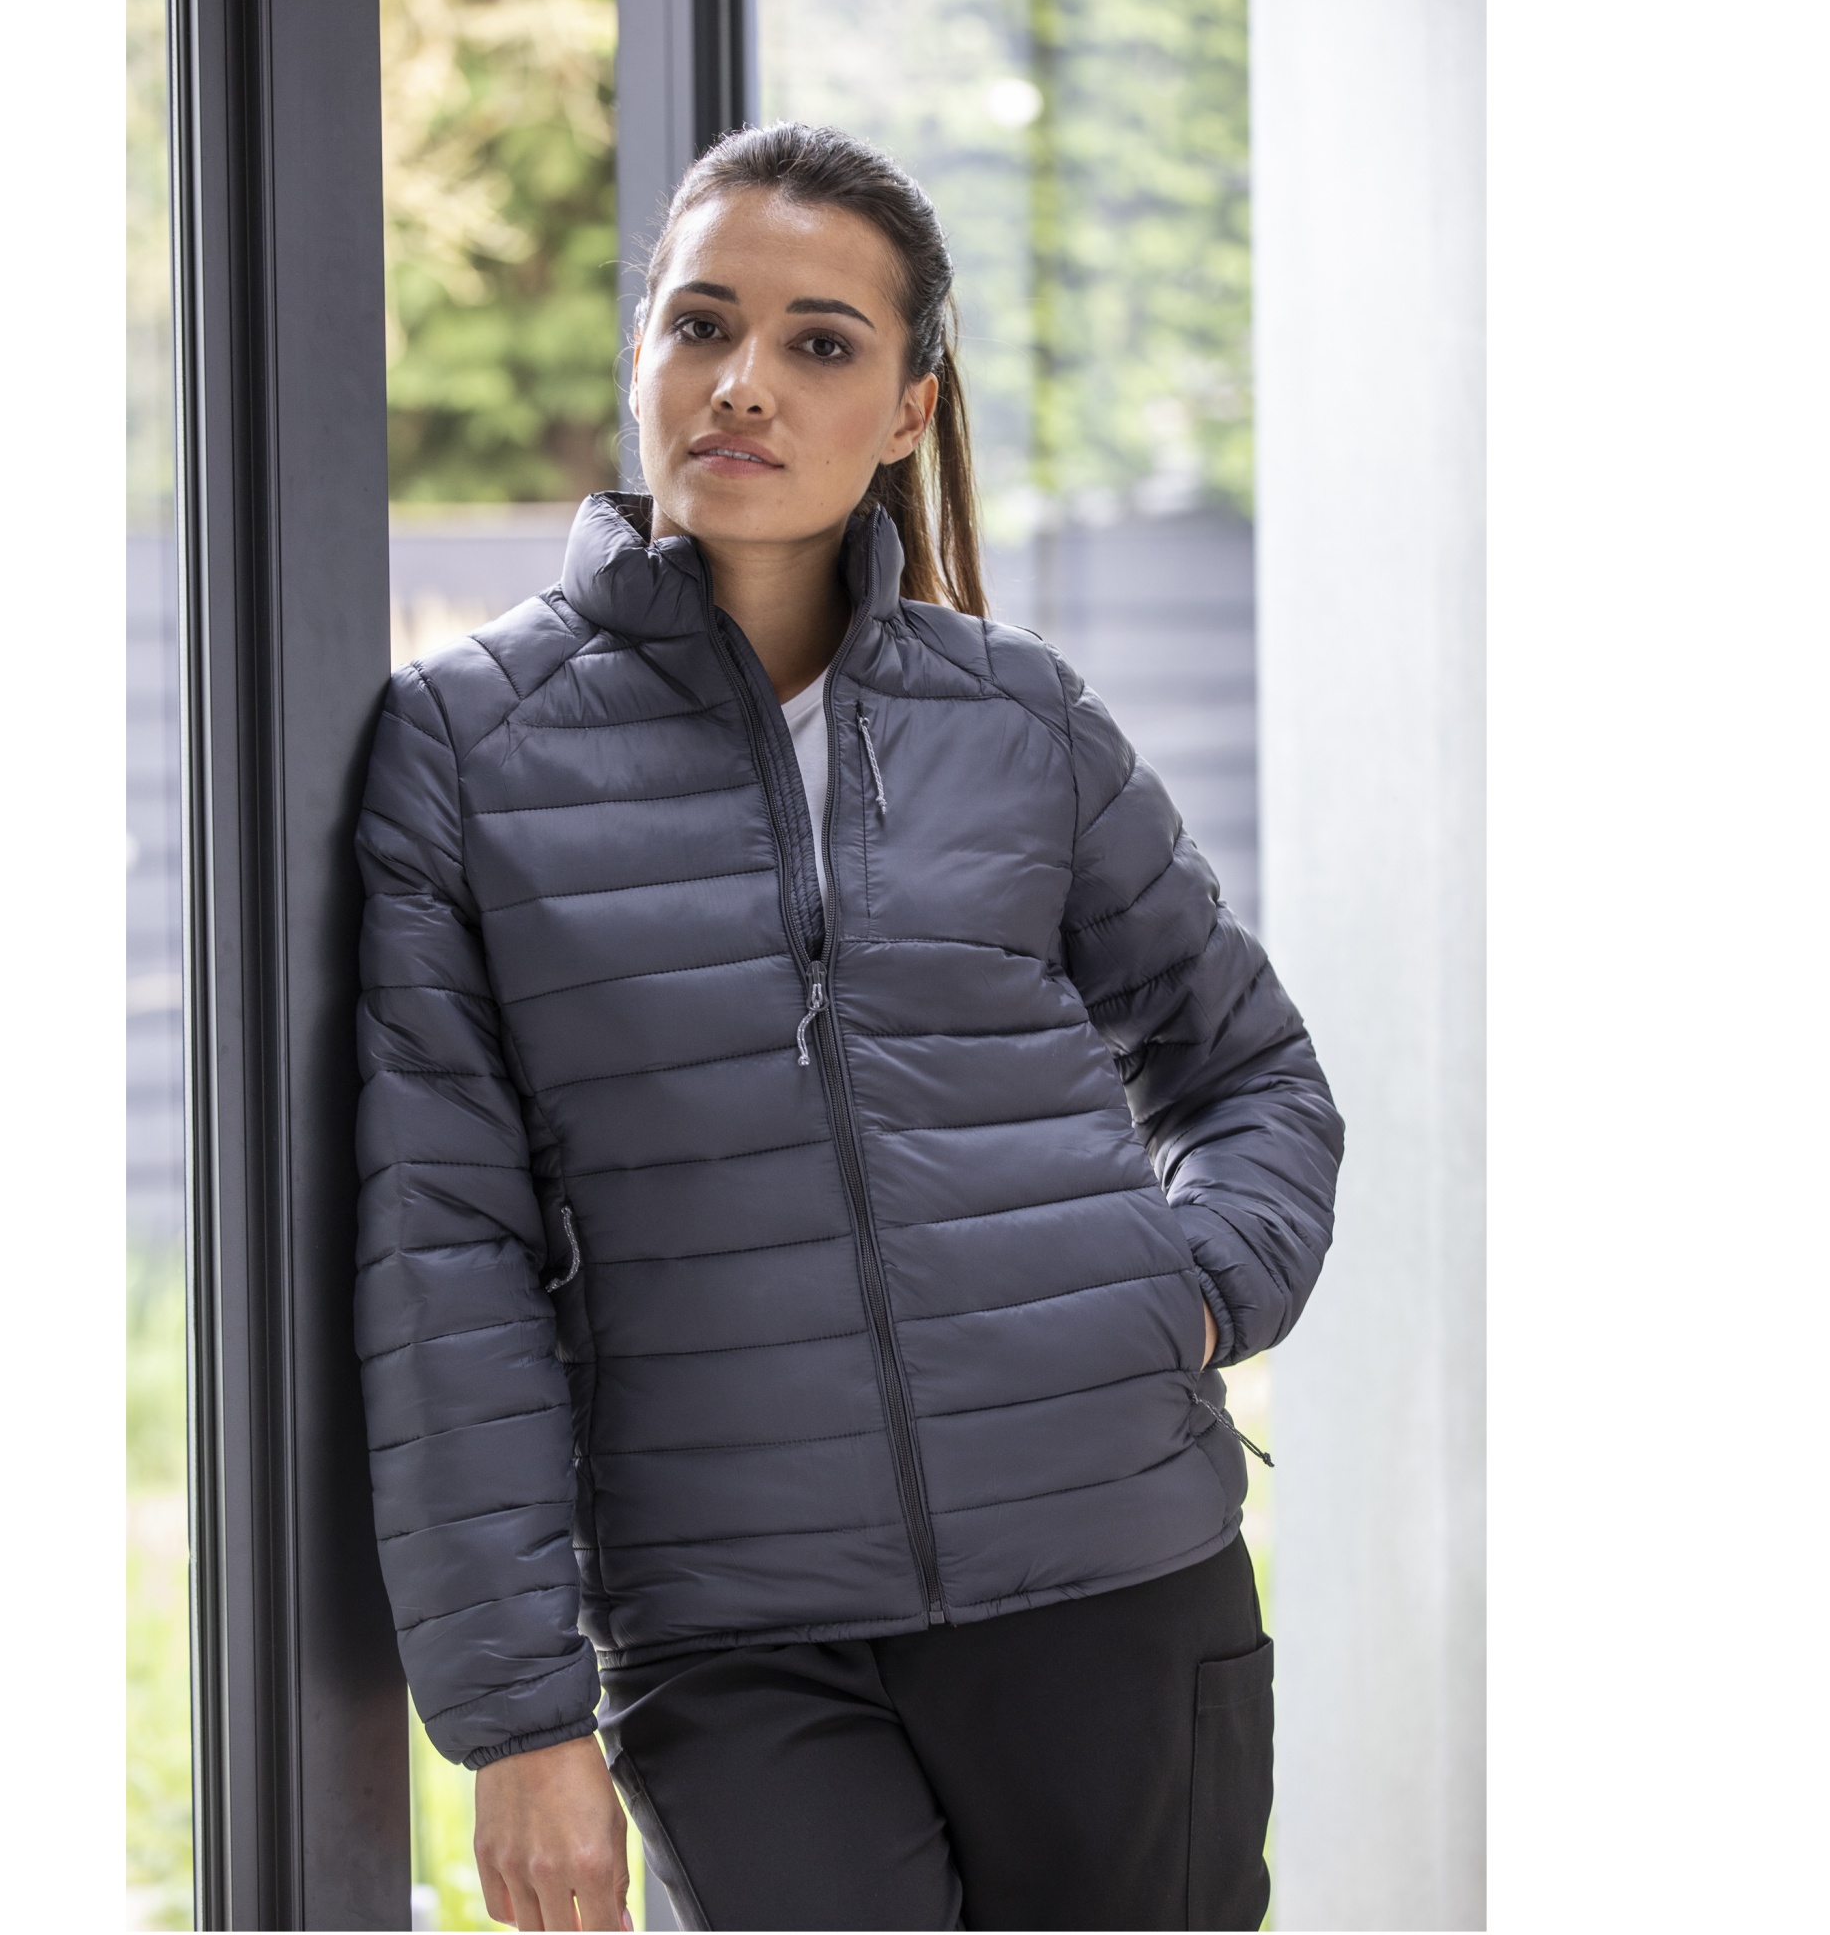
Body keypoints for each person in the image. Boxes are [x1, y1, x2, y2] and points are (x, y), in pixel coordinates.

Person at [353, 122, 1343, 1933]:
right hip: (731, 1630)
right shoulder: (469, 749)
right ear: (641, 353)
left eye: (819, 343)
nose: (744, 381)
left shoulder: (1019, 720)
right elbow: (446, 1252)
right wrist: (518, 1721)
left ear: (905, 410)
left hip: (1115, 1574)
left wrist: (1191, 1292)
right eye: (701, 323)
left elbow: (1248, 1070)